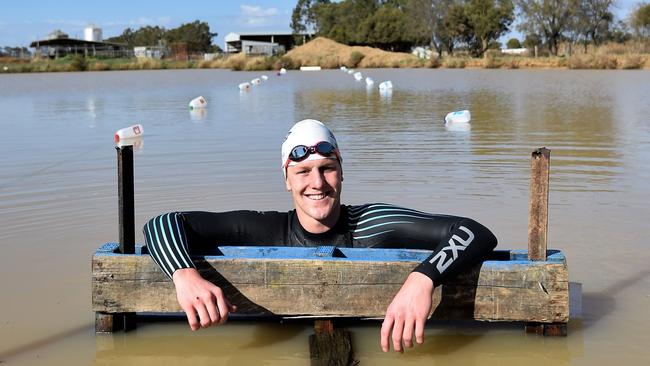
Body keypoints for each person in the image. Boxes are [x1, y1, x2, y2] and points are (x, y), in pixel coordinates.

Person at [143, 119, 497, 353]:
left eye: (327, 169)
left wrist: (422, 279)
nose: (317, 183)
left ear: (341, 173)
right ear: (286, 179)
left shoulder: (371, 222)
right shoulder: (266, 230)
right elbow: (162, 223)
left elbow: (473, 231)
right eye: (303, 172)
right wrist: (184, 274)